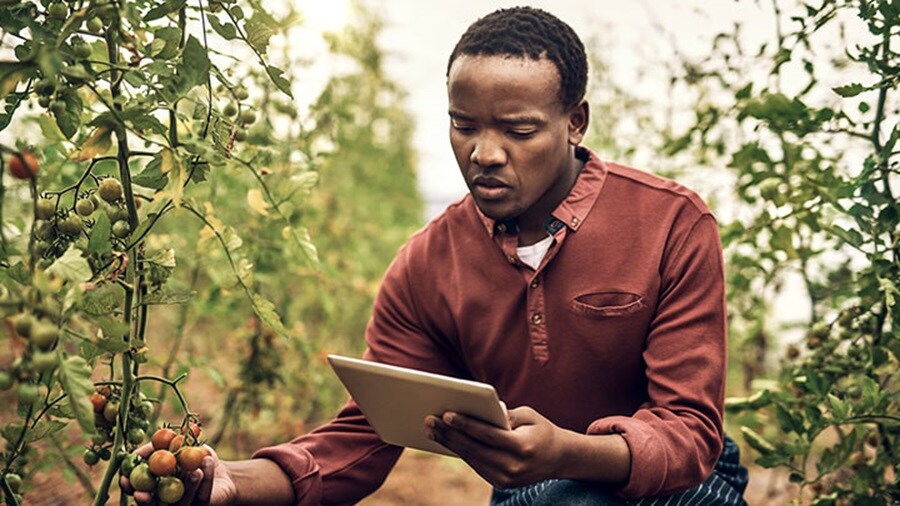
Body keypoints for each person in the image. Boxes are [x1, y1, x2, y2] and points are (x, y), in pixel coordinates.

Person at [124, 6, 749, 505]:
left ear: (575, 122)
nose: (485, 153)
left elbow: (689, 433)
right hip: (534, 487)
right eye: (464, 124)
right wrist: (233, 481)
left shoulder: (670, 224)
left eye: (519, 130)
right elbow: (362, 440)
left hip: (681, 484)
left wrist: (566, 452)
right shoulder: (428, 266)